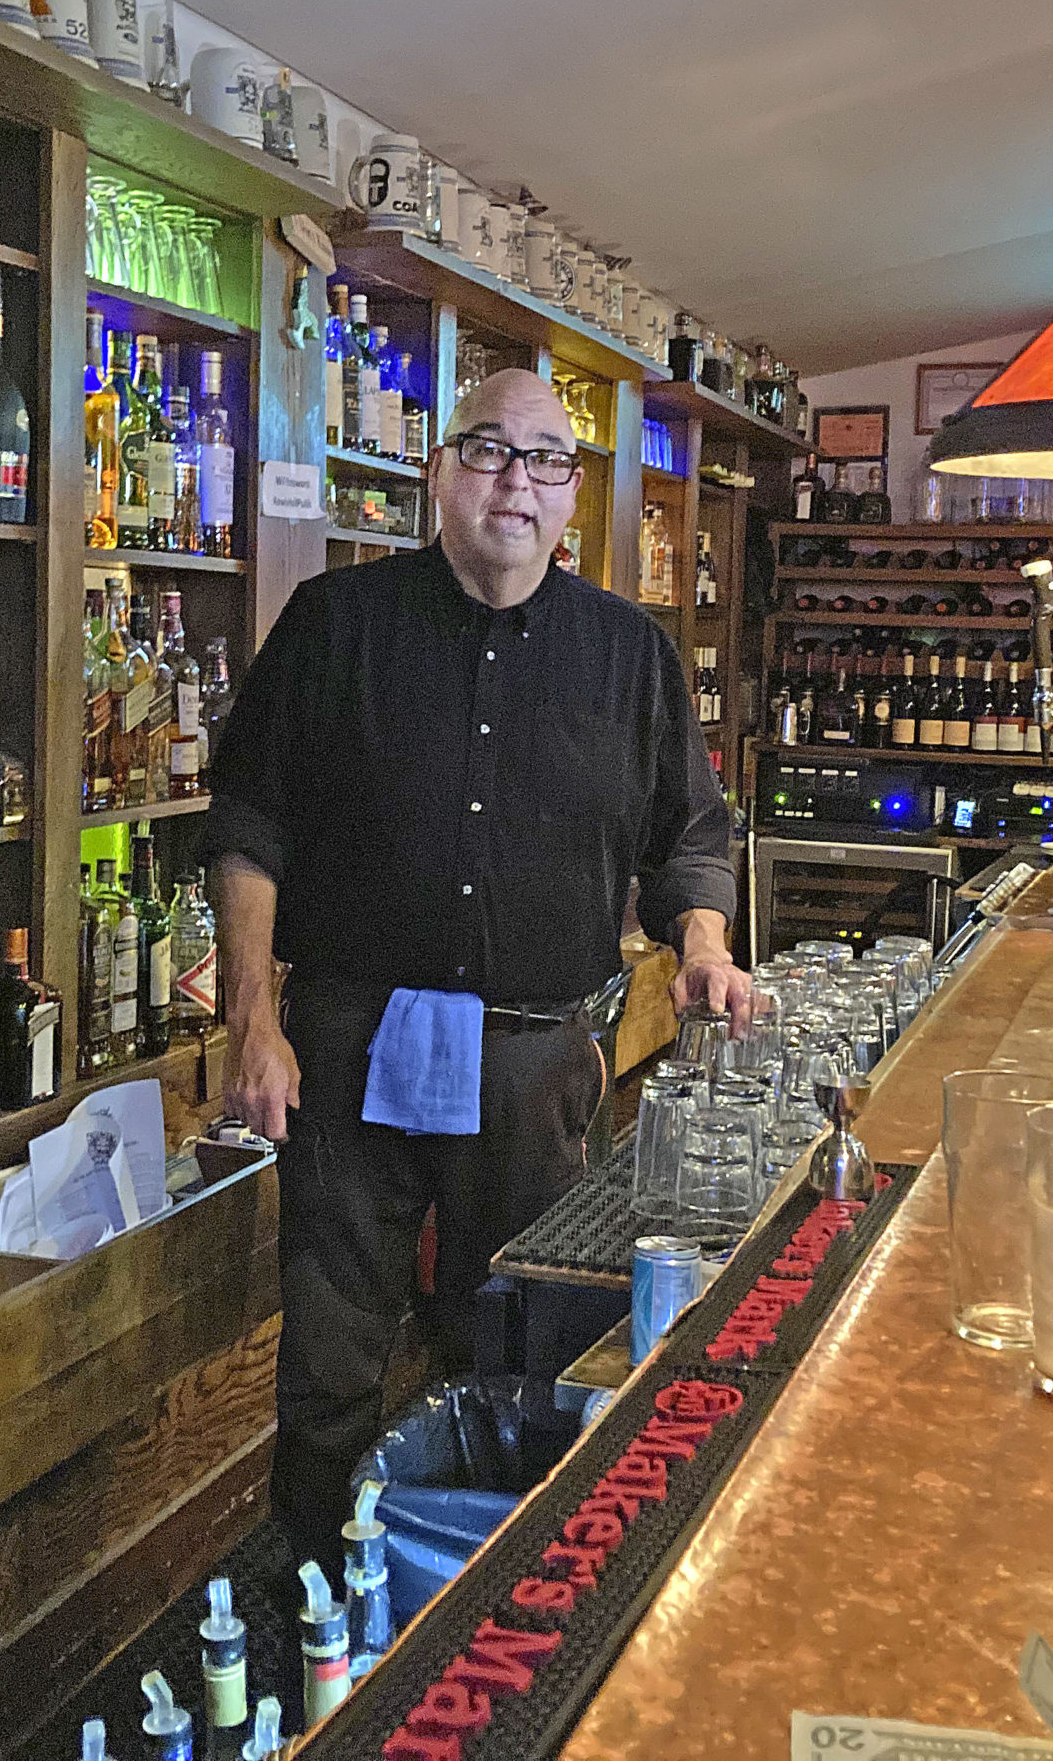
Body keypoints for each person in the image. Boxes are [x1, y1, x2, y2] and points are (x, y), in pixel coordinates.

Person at [204, 366, 747, 1573]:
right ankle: (313, 1614)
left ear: (569, 497)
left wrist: (702, 945)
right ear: (438, 471)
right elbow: (249, 823)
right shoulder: (335, 626)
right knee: (331, 1356)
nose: (517, 478)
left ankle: (495, 1607)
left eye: (546, 459)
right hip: (345, 1048)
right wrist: (253, 1018)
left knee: (518, 1344)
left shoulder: (630, 655)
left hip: (531, 1056)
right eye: (489, 450)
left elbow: (688, 838)